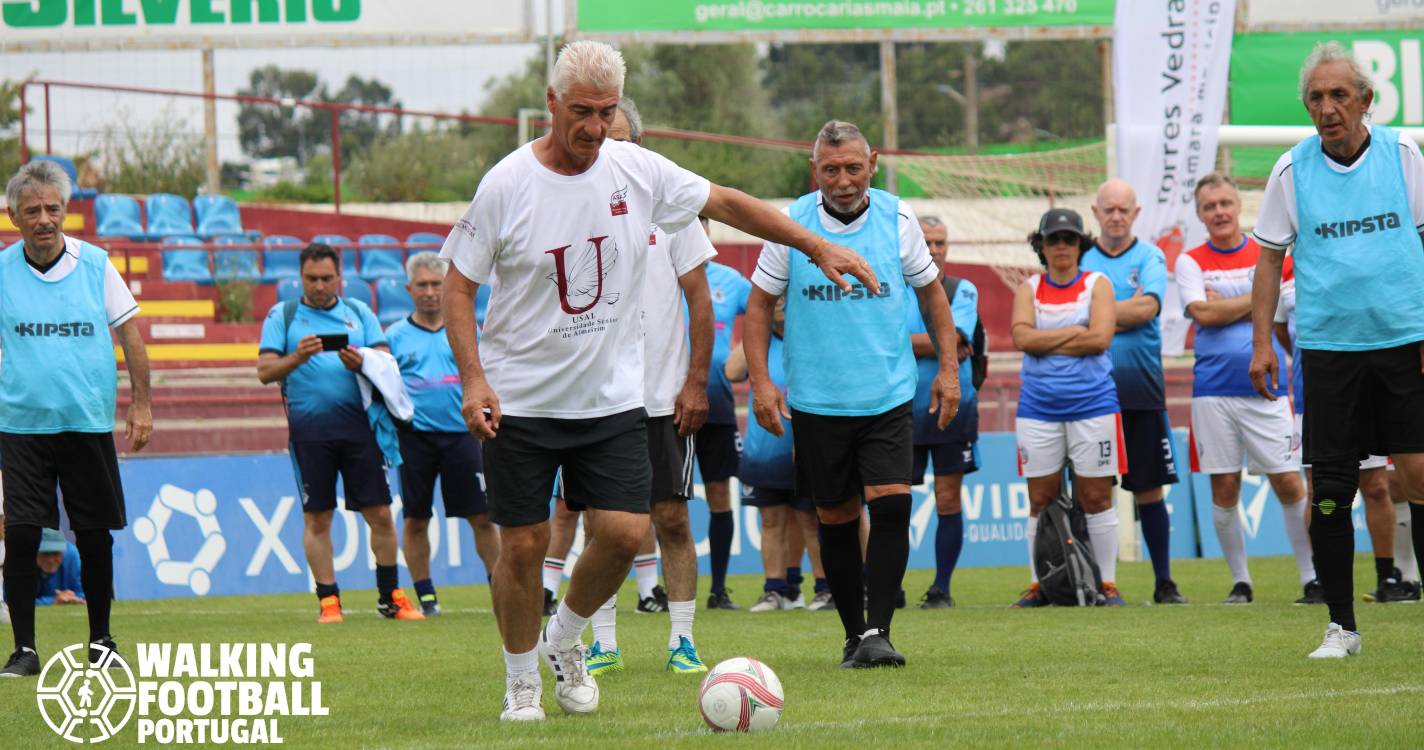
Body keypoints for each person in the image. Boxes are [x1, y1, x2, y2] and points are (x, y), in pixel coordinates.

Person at [439, 41, 878, 722]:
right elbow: (458, 286)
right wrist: (473, 380)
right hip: (521, 399)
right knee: (522, 546)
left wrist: (816, 244)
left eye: (606, 111)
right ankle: (521, 682)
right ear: (552, 103)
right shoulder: (506, 184)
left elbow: (726, 201)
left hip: (612, 398)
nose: (594, 127)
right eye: (581, 111)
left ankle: (564, 640)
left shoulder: (635, 170)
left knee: (622, 534)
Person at [743, 119, 959, 669]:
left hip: (886, 394)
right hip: (817, 400)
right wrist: (762, 383)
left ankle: (879, 631)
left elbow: (932, 296)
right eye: (831, 169)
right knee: (836, 517)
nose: (843, 181)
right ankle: (852, 634)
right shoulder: (790, 223)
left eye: (853, 168)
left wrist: (949, 370)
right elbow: (759, 306)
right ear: (813, 169)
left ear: (874, 164)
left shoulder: (898, 218)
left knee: (892, 505)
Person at [1249, 42, 1424, 658]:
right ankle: (1342, 627)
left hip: (1404, 342)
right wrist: (1262, 343)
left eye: (1339, 95)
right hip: (1328, 350)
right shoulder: (1291, 170)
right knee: (1329, 488)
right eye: (1316, 98)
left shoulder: (1403, 155)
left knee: (1418, 476)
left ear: (1366, 100)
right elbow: (1269, 259)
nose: (1327, 108)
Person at [1, 159, 152, 678]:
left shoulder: (96, 265)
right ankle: (24, 649)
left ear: (65, 210)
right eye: (32, 211)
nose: (44, 219)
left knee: (93, 535)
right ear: (14, 217)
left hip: (86, 421)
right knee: (22, 535)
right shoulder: (2, 271)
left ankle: (101, 642)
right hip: (21, 426)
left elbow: (130, 335)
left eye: (52, 208)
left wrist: (141, 403)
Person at [582, 98, 716, 677]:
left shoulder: (672, 209)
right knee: (602, 526)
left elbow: (700, 301)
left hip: (663, 398)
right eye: (600, 141)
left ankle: (682, 641)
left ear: (639, 144)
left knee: (672, 519)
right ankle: (603, 642)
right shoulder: (574, 206)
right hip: (595, 399)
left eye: (618, 141)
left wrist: (696, 383)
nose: (609, 151)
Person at [257, 242, 423, 624]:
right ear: (300, 277)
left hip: (361, 431)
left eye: (327, 278)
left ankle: (391, 597)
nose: (319, 285)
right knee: (318, 518)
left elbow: (386, 363)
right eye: (312, 278)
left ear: (339, 277)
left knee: (380, 515)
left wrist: (361, 360)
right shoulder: (283, 315)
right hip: (309, 435)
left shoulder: (358, 312)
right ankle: (328, 600)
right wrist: (297, 357)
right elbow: (264, 372)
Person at [1177, 173, 1316, 605]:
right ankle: (1241, 582)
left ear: (1238, 206)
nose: (1219, 212)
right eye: (1209, 206)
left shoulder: (1270, 253)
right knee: (1224, 489)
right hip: (1212, 392)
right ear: (1200, 214)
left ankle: (1311, 578)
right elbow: (1203, 314)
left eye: (1225, 203)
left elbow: (1283, 311)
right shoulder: (1189, 261)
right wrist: (1259, 298)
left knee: (1289, 483)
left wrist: (1225, 304)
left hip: (1267, 390)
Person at [1277, 253, 1419, 603]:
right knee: (1319, 490)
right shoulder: (1283, 267)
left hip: (1367, 391)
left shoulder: (1359, 256)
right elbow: (1281, 329)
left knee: (1377, 486)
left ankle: (1389, 577)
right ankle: (1323, 580)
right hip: (1316, 394)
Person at [1010, 208, 1124, 608]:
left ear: (1081, 244)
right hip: (1038, 408)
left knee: (1096, 498)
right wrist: (1076, 331)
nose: (1061, 246)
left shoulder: (1097, 284)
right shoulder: (1029, 288)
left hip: (1094, 405)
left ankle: (1107, 584)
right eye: (1053, 239)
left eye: (1069, 239)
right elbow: (1022, 339)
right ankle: (1038, 584)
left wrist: (1046, 339)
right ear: (1040, 246)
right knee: (1040, 499)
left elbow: (1100, 340)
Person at [1081, 179, 1184, 604]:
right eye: (1109, 209)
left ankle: (1164, 582)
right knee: (1092, 491)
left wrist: (1095, 314)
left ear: (1136, 213)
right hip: (1089, 393)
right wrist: (1120, 310)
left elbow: (1148, 308)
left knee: (1149, 489)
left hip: (1141, 390)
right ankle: (1094, 583)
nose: (1116, 216)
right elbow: (1074, 313)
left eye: (1124, 209)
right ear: (1096, 212)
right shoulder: (1082, 258)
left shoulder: (1150, 256)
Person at [384, 252, 500, 617]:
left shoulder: (467, 330)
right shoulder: (394, 337)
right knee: (416, 519)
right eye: (423, 285)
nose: (431, 292)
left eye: (437, 284)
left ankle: (501, 588)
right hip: (414, 438)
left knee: (482, 518)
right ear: (409, 289)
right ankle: (426, 597)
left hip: (463, 435)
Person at [726, 297, 832, 612]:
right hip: (764, 448)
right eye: (777, 296)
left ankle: (825, 589)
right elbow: (732, 371)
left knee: (810, 520)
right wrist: (756, 325)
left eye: (787, 294)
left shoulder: (813, 335)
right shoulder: (760, 338)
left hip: (808, 448)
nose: (782, 301)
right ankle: (776, 590)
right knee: (771, 519)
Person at [909, 215, 981, 609]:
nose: (934, 250)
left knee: (948, 497)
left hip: (953, 408)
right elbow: (882, 341)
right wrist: (942, 342)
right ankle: (889, 586)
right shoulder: (893, 289)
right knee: (890, 500)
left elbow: (954, 336)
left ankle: (941, 588)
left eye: (940, 242)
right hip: (898, 409)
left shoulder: (961, 289)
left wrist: (933, 341)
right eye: (926, 242)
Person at [701, 259, 751, 610]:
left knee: (720, 493)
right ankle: (650, 591)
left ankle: (718, 590)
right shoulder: (658, 269)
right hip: (665, 405)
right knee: (662, 503)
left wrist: (747, 352)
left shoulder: (729, 280)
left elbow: (770, 305)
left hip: (717, 404)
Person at [35, 529, 83, 606]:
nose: (50, 560)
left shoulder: (72, 555)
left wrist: (71, 598)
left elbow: (82, 594)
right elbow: (17, 601)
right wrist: (53, 600)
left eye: (56, 553)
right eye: (45, 553)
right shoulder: (22, 559)